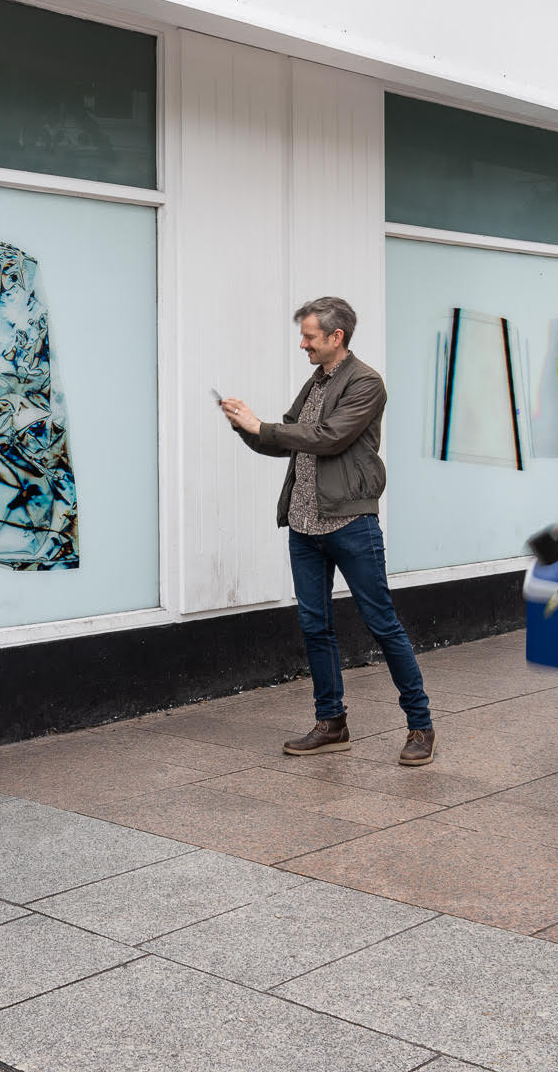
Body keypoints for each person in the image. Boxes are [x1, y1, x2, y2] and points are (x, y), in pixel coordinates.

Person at [221, 296, 436, 768]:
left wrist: (266, 426)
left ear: (336, 337)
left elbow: (327, 438)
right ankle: (331, 723)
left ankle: (420, 726)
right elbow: (288, 444)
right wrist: (246, 428)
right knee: (314, 626)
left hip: (350, 523)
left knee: (383, 624)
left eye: (310, 337)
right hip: (303, 526)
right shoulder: (315, 381)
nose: (303, 345)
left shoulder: (366, 383)